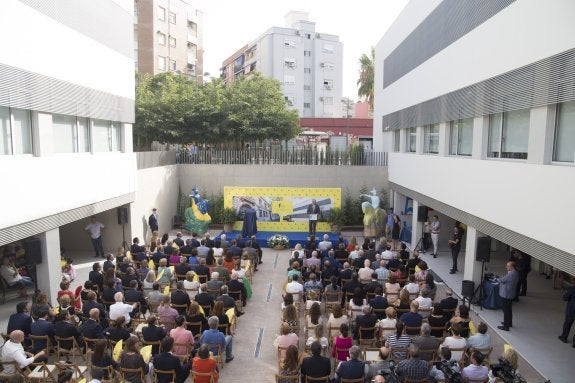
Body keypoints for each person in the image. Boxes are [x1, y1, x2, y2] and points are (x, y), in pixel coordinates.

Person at [497, 261, 519, 332]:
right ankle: (509, 323)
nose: (506, 267)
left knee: (506, 310)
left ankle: (506, 326)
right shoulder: (515, 273)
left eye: (508, 266)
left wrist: (500, 278)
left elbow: (501, 280)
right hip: (510, 294)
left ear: (512, 267)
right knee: (509, 310)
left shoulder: (511, 274)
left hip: (506, 295)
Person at [558, 275, 575, 346]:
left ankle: (564, 337)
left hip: (571, 310)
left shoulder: (571, 289)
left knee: (567, 324)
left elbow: (565, 298)